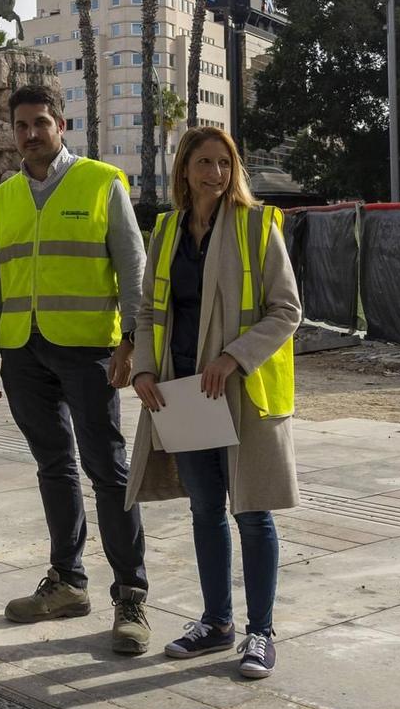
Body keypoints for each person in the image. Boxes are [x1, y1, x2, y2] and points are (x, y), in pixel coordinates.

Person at [0, 84, 152, 654]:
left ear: (61, 125)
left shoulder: (102, 182)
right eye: (22, 125)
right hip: (23, 352)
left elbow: (133, 268)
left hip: (87, 352)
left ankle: (130, 596)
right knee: (54, 466)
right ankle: (68, 583)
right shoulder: (2, 197)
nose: (31, 134)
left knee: (109, 470)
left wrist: (132, 342)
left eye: (41, 123)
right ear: (14, 131)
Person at [126, 128, 301, 679]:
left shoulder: (256, 225)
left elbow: (286, 310)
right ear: (184, 169)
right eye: (204, 162)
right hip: (183, 392)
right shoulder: (168, 230)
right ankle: (217, 622)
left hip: (242, 392)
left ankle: (261, 632)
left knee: (251, 512)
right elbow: (150, 312)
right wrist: (144, 368)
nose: (216, 174)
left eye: (224, 163)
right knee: (204, 511)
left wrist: (232, 357)